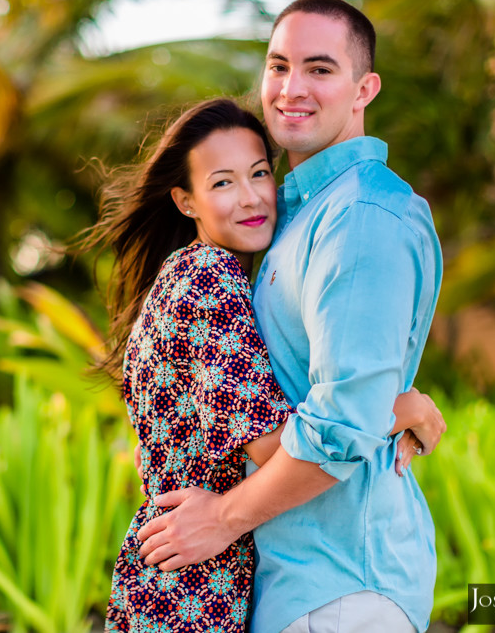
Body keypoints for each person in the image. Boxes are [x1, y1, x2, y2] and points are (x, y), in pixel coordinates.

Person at [82, 97, 444, 632]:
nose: (251, 197)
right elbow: (275, 448)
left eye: (258, 173)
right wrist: (407, 408)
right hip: (196, 585)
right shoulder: (209, 280)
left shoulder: (183, 277)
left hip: (174, 579)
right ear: (186, 201)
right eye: (223, 183)